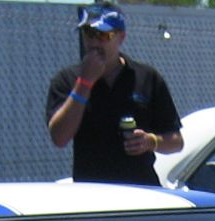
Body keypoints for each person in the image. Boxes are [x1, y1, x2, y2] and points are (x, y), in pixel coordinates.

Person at [45, 4, 183, 185]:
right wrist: (85, 83)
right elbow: (59, 138)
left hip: (142, 191)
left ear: (121, 37)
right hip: (92, 193)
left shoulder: (146, 78)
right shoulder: (68, 80)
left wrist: (151, 141)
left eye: (103, 35)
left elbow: (176, 142)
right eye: (88, 34)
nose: (94, 43)